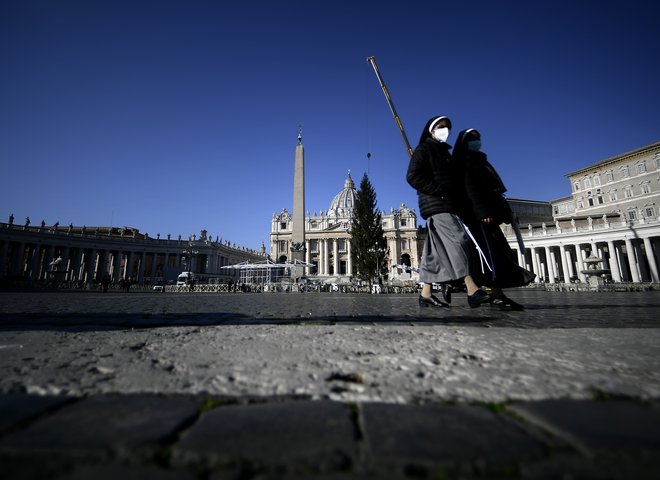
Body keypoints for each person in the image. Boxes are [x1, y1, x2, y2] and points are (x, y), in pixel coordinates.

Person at [406, 116, 492, 308]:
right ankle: (472, 289)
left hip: (446, 204)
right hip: (438, 204)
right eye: (441, 127)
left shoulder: (444, 152)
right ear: (431, 130)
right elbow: (413, 176)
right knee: (458, 241)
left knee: (432, 253)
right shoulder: (424, 149)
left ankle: (426, 293)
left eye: (448, 128)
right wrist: (440, 190)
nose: (445, 130)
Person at [453, 128, 535, 310]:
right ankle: (488, 293)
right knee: (488, 256)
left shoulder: (481, 160)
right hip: (477, 218)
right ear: (464, 142)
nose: (477, 141)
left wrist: (501, 211)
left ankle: (496, 294)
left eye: (478, 138)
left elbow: (493, 190)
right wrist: (482, 212)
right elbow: (470, 189)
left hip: (488, 216)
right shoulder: (463, 162)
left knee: (497, 254)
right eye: (473, 139)